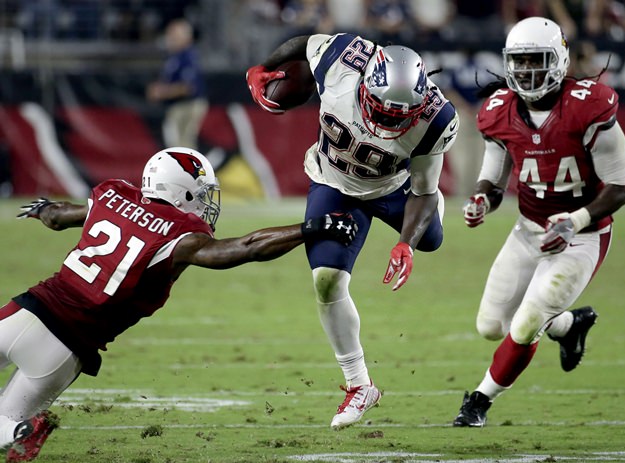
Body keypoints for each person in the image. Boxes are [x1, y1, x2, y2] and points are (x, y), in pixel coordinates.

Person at [0, 147, 357, 462]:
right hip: (65, 352)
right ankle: (15, 432)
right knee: (9, 426)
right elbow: (246, 247)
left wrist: (44, 209)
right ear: (182, 190)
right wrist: (310, 228)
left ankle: (11, 431)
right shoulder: (180, 235)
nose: (205, 202)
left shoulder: (111, 195)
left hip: (26, 313)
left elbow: (61, 216)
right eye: (201, 193)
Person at [246, 33, 458, 429]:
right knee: (326, 282)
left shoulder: (436, 118)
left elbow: (426, 193)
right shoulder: (342, 59)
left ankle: (417, 235)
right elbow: (304, 42)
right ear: (365, 84)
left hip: (394, 187)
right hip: (334, 183)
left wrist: (405, 245)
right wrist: (263, 65)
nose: (384, 123)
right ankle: (359, 385)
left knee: (430, 240)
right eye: (380, 110)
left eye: (398, 117)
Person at [452, 17, 625, 427]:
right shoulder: (499, 111)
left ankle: (479, 401)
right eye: (519, 62)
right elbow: (493, 177)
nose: (527, 71)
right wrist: (482, 199)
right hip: (529, 230)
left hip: (583, 236)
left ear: (560, 59)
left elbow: (622, 186)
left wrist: (576, 220)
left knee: (527, 321)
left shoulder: (588, 106)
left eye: (537, 60)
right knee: (489, 326)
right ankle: (570, 324)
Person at [146, 19, 208, 149]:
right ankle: (184, 169)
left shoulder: (188, 56)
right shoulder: (174, 56)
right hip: (179, 105)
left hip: (187, 105)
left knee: (183, 144)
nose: (170, 39)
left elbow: (188, 87)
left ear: (186, 38)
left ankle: (190, 169)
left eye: (174, 36)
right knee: (176, 143)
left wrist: (162, 92)